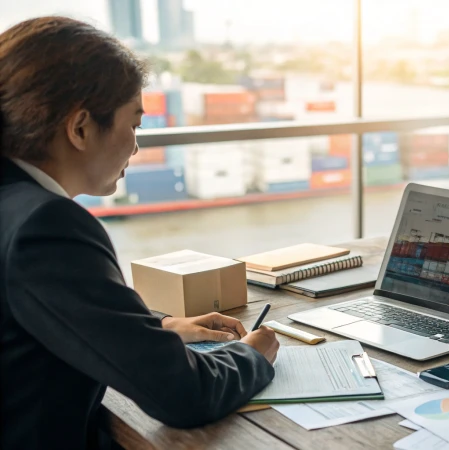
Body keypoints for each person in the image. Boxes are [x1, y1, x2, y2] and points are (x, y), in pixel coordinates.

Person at [0, 17, 280, 449]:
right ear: (80, 128)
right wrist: (252, 353)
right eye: (134, 124)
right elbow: (185, 394)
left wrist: (162, 326)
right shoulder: (46, 227)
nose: (135, 146)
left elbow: (51, 308)